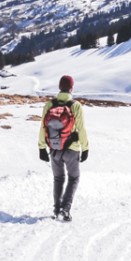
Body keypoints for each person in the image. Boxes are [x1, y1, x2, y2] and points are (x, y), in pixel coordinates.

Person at [37, 74, 89, 221]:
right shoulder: (75, 106)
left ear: (59, 87)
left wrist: (41, 147)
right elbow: (82, 129)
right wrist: (85, 148)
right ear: (71, 88)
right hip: (72, 149)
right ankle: (65, 210)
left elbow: (43, 127)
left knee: (58, 178)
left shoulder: (49, 105)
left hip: (54, 148)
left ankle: (56, 210)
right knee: (74, 178)